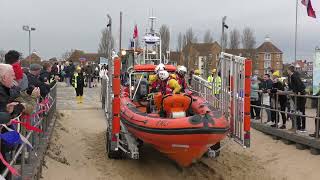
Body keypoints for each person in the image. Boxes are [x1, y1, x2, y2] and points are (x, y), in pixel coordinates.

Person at [287, 65, 306, 132]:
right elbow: (293, 86)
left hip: (301, 96)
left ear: (290, 70)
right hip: (297, 96)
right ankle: (298, 126)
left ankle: (303, 127)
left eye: (287, 70)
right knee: (297, 111)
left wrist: (299, 92)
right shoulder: (291, 76)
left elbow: (300, 85)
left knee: (301, 111)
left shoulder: (294, 76)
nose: (287, 71)